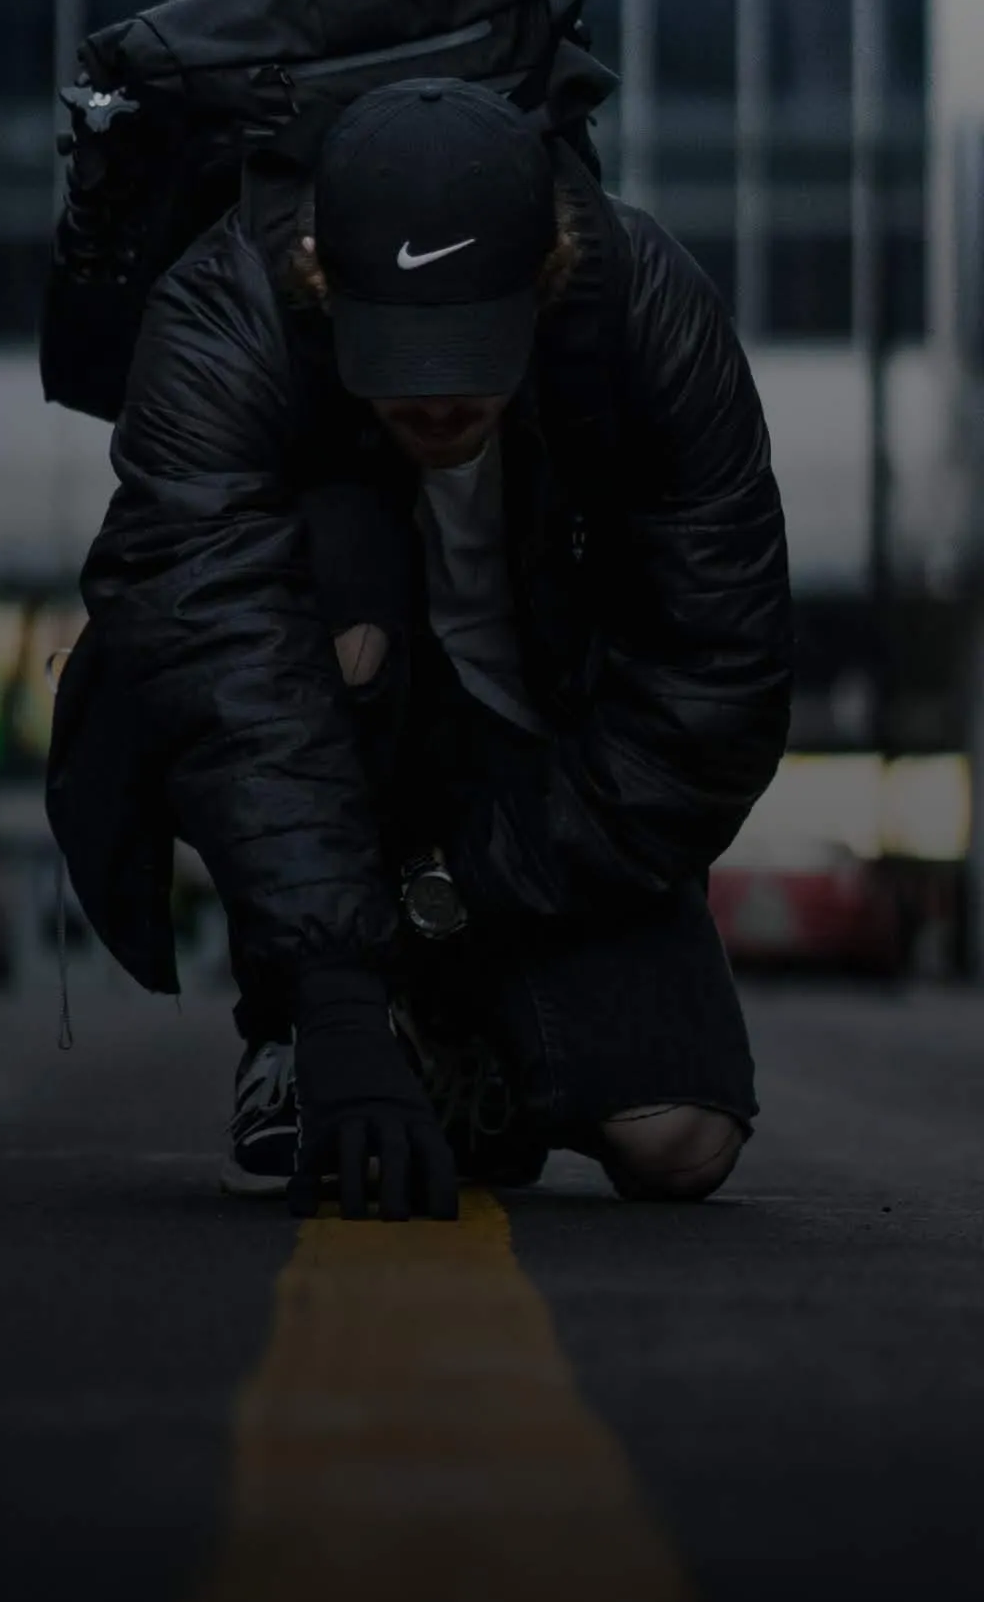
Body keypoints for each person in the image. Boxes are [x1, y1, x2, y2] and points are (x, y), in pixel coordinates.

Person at [63, 77, 793, 1220]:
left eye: (472, 345)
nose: (442, 393)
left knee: (682, 1142)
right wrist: (335, 993)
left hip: (548, 776)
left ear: (547, 271)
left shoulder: (647, 316)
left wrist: (466, 892)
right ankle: (304, 1035)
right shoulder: (227, 312)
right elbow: (217, 654)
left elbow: (717, 694)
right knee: (334, 566)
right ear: (319, 270)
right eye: (404, 350)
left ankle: (454, 1050)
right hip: (341, 729)